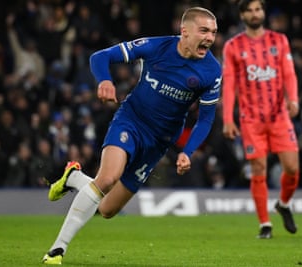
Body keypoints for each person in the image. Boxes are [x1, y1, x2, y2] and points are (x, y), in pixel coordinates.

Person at [42, 7, 221, 265]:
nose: (210, 38)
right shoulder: (156, 47)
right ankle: (57, 249)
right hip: (132, 121)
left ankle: (75, 177)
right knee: (107, 178)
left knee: (106, 209)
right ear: (185, 32)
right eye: (204, 30)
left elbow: (206, 118)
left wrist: (187, 151)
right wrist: (104, 80)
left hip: (160, 141)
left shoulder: (211, 71)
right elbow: (100, 57)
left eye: (213, 32)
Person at [221, 0, 300, 239]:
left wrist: (293, 99)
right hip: (251, 119)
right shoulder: (233, 46)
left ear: (263, 12)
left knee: (293, 169)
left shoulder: (279, 40)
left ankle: (283, 204)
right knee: (258, 169)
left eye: (258, 9)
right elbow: (230, 84)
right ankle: (265, 224)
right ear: (242, 15)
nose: (255, 14)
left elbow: (289, 73)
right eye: (250, 10)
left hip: (279, 116)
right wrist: (227, 118)